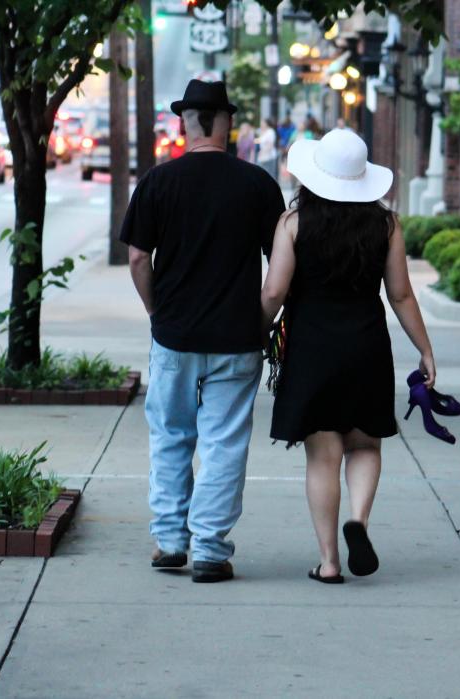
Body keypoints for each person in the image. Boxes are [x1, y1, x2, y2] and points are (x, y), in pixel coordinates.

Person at [121, 80, 286, 583]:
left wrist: (156, 311)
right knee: (224, 443)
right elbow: (279, 272)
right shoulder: (258, 185)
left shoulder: (157, 182)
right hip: (237, 338)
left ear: (184, 123)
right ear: (228, 124)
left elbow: (138, 257)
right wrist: (262, 323)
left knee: (170, 436)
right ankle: (211, 550)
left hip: (174, 335)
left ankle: (171, 540)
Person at [260, 128, 438, 584]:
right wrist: (424, 349)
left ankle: (329, 562)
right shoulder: (386, 225)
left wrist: (254, 334)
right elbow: (401, 294)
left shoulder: (293, 223)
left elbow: (275, 291)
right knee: (365, 444)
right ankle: (357, 519)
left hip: (312, 347)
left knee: (323, 457)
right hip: (366, 345)